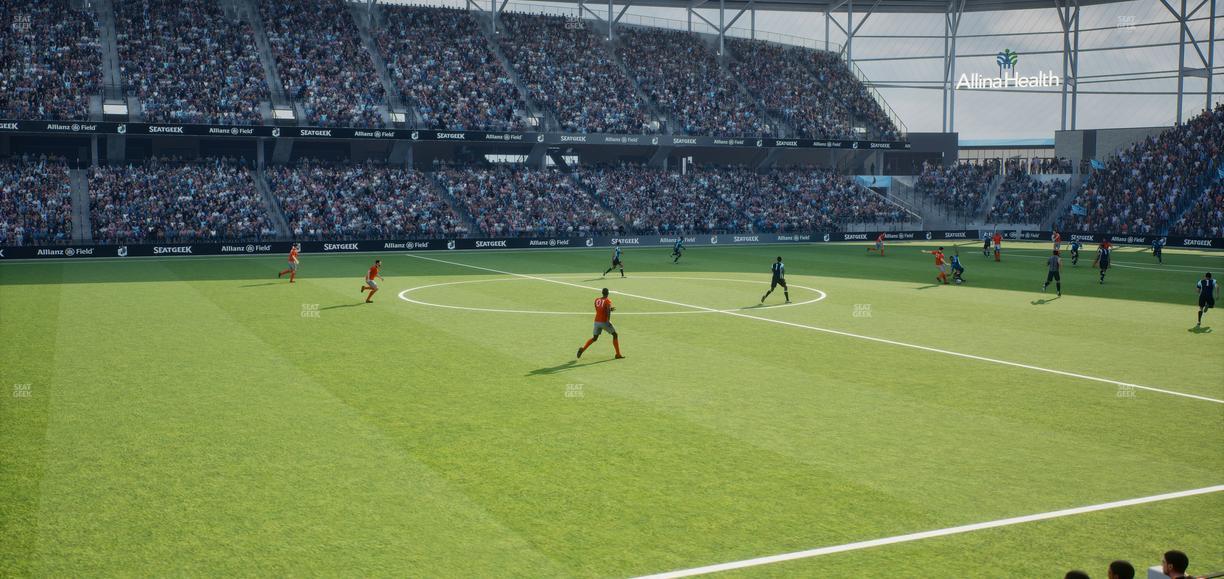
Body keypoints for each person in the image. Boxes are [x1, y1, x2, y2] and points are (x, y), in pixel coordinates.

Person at [577, 287, 624, 359]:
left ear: (602, 293)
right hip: (604, 322)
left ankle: (583, 349)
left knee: (594, 338)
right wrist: (608, 320)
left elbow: (599, 309)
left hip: (596, 322)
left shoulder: (597, 300)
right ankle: (618, 354)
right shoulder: (608, 301)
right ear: (608, 293)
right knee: (615, 335)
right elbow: (607, 311)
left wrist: (609, 309)